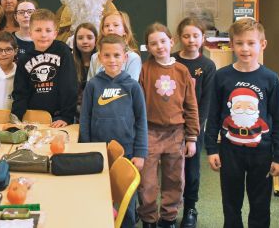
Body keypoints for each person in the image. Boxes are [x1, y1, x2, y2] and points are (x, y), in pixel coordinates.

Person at [205, 18, 279, 228]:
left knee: (260, 203)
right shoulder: (222, 77)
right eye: (239, 43)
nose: (245, 48)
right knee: (231, 202)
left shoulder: (270, 78)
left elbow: (278, 120)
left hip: (262, 152)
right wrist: (212, 149)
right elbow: (213, 115)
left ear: (263, 45)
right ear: (231, 44)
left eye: (251, 43)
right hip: (230, 151)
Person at [79, 34, 147, 228]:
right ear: (99, 57)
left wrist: (141, 153)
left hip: (127, 153)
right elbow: (85, 118)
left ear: (125, 57)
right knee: (98, 198)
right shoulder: (93, 85)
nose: (112, 60)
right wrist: (87, 149)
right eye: (107, 55)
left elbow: (141, 121)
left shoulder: (133, 86)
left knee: (126, 202)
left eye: (117, 55)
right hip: (98, 152)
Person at [138, 23, 199, 228]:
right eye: (153, 43)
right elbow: (138, 106)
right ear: (147, 47)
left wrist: (192, 137)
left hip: (176, 134)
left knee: (174, 179)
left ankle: (168, 217)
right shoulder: (144, 70)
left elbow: (191, 106)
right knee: (147, 181)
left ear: (171, 42)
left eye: (163, 41)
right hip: (150, 132)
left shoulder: (182, 71)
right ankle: (149, 218)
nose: (159, 46)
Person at [171, 17, 216, 228]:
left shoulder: (207, 65)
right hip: (169, 124)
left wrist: (195, 130)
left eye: (195, 36)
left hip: (192, 127)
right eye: (186, 36)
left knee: (192, 169)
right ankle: (169, 209)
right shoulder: (170, 60)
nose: (191, 40)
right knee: (170, 169)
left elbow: (206, 101)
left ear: (203, 38)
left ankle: (190, 207)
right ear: (179, 38)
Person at [12, 9, 77, 128]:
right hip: (33, 118)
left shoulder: (63, 51)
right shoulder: (24, 59)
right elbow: (20, 92)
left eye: (48, 30)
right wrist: (16, 119)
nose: (43, 35)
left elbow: (69, 85)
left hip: (59, 118)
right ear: (30, 33)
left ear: (55, 33)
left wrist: (66, 116)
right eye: (38, 30)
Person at [87, 10, 141, 81]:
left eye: (116, 25)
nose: (110, 28)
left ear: (125, 30)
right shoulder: (95, 58)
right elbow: (90, 87)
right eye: (106, 26)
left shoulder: (133, 58)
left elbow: (130, 88)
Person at [72, 23, 97, 121]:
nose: (85, 41)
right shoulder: (70, 62)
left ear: (96, 40)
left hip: (96, 114)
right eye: (80, 38)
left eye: (89, 37)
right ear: (75, 41)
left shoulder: (102, 63)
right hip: (74, 116)